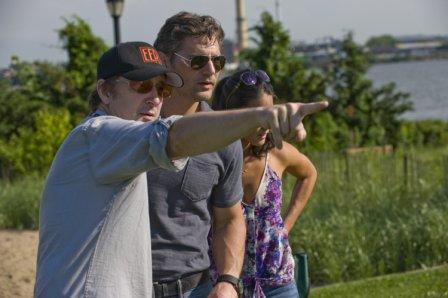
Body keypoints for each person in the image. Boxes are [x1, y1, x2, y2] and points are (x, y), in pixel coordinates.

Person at [34, 40, 327, 297]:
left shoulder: (120, 150)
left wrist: (226, 280)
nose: (155, 98)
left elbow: (228, 217)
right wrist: (263, 116)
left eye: (161, 88)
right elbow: (173, 136)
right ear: (105, 92)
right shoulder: (99, 135)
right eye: (141, 86)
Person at [212, 69, 318, 298]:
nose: (266, 124)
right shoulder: (211, 157)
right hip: (227, 284)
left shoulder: (277, 152)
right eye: (259, 115)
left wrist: (285, 227)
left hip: (279, 281)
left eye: (270, 113)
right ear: (233, 114)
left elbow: (309, 174)